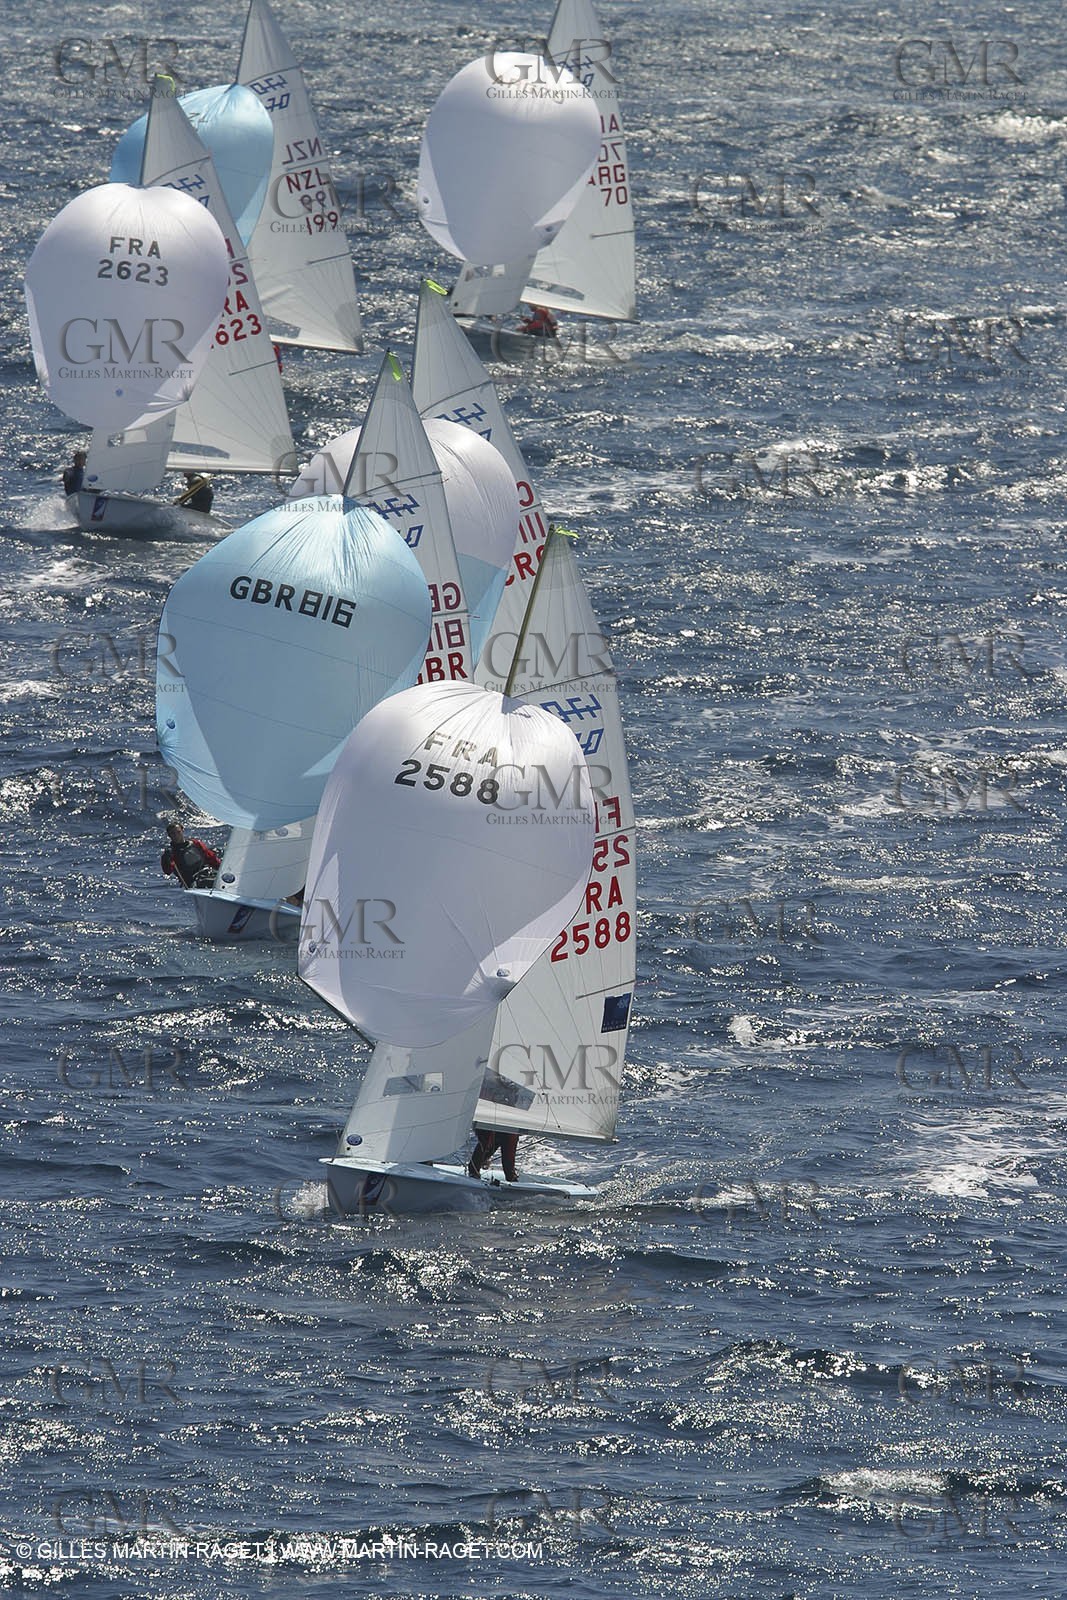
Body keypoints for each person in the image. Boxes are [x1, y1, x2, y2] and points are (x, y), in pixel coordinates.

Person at [161, 822, 221, 889]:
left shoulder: (195, 843)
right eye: (173, 834)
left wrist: (221, 868)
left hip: (207, 872)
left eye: (178, 832)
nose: (176, 835)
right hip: (192, 880)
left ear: (182, 831)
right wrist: (166, 860)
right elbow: (167, 871)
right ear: (169, 835)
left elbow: (211, 857)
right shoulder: (170, 852)